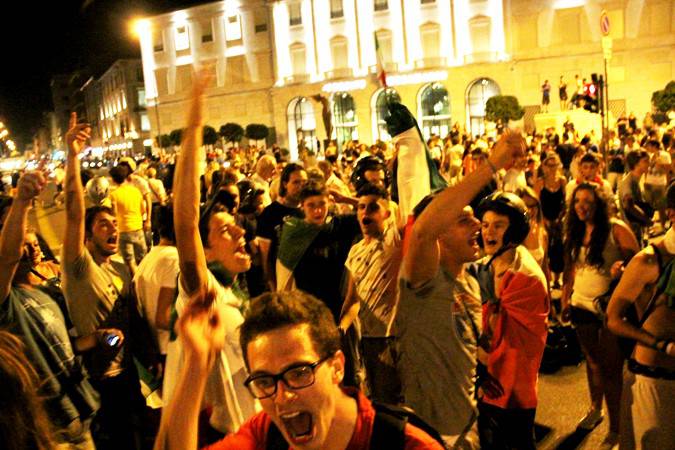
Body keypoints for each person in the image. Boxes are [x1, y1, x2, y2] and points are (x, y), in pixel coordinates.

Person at [155, 290, 444, 450]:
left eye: (299, 373)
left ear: (337, 368)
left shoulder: (405, 446)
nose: (282, 397)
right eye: (265, 380)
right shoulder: (266, 435)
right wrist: (197, 361)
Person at [396, 130, 525, 448]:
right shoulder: (423, 280)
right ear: (440, 230)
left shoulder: (469, 278)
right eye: (464, 220)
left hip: (467, 428)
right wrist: (490, 165)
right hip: (430, 435)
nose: (478, 226)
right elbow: (423, 231)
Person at [162, 71, 259, 441]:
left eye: (236, 225)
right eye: (223, 229)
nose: (239, 232)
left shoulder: (237, 294)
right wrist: (195, 118)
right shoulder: (204, 293)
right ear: (206, 250)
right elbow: (185, 222)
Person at [61, 112, 151, 449]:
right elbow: (73, 212)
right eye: (103, 224)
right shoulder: (79, 267)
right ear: (86, 236)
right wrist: (72, 156)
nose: (113, 228)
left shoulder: (121, 269)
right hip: (98, 384)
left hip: (127, 376)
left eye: (114, 223)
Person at [0, 171, 101, 449]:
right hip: (51, 433)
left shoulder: (46, 294)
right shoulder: (6, 304)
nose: (31, 250)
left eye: (34, 243)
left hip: (81, 417)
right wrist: (20, 202)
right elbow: (6, 258)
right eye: (23, 242)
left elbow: (64, 346)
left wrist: (98, 341)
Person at [561, 183, 640, 449]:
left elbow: (639, 263)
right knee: (592, 362)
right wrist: (565, 296)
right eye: (578, 201)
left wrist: (623, 269)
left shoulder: (616, 229)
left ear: (599, 204)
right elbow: (571, 267)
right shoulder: (573, 229)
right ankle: (596, 409)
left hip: (610, 309)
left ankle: (617, 430)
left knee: (611, 369)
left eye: (588, 202)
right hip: (580, 305)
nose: (582, 206)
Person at [470, 192, 549, 450]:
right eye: (485, 224)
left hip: (511, 385)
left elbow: (489, 332)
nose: (488, 231)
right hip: (493, 381)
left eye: (498, 225)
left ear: (514, 229)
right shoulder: (488, 265)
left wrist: (477, 373)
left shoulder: (525, 277)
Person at [607, 183, 675, 450]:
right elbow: (613, 319)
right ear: (671, 214)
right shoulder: (648, 260)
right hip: (653, 380)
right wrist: (663, 346)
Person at [338, 183, 403, 404]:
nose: (365, 212)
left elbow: (403, 209)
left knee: (391, 404)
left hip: (391, 340)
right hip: (367, 341)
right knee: (374, 401)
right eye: (361, 207)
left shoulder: (393, 241)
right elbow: (353, 300)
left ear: (386, 213)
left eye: (372, 208)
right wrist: (342, 327)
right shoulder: (356, 250)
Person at [276, 182, 360, 322]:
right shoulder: (294, 232)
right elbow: (285, 277)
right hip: (306, 312)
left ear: (330, 203)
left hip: (339, 310)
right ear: (302, 206)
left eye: (322, 204)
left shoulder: (341, 225)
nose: (318, 211)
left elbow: (386, 210)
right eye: (311, 205)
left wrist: (345, 199)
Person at [134, 205, 178, 361]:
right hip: (171, 348)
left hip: (157, 349)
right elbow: (163, 318)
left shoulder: (149, 257)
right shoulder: (174, 259)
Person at [256, 163, 307, 291]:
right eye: (296, 182)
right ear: (285, 184)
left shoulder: (307, 211)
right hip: (283, 285)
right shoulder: (270, 214)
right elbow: (265, 258)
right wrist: (273, 288)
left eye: (304, 182)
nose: (301, 187)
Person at [109, 164, 147, 275]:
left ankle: (135, 283)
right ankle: (144, 279)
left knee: (129, 261)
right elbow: (143, 210)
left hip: (123, 230)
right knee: (142, 259)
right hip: (138, 228)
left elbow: (114, 213)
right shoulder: (135, 191)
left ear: (113, 179)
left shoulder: (113, 195)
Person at [618, 150, 651, 245]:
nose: (648, 164)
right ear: (636, 164)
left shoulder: (637, 180)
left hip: (637, 230)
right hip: (631, 231)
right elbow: (628, 205)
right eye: (645, 161)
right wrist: (646, 219)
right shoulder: (628, 182)